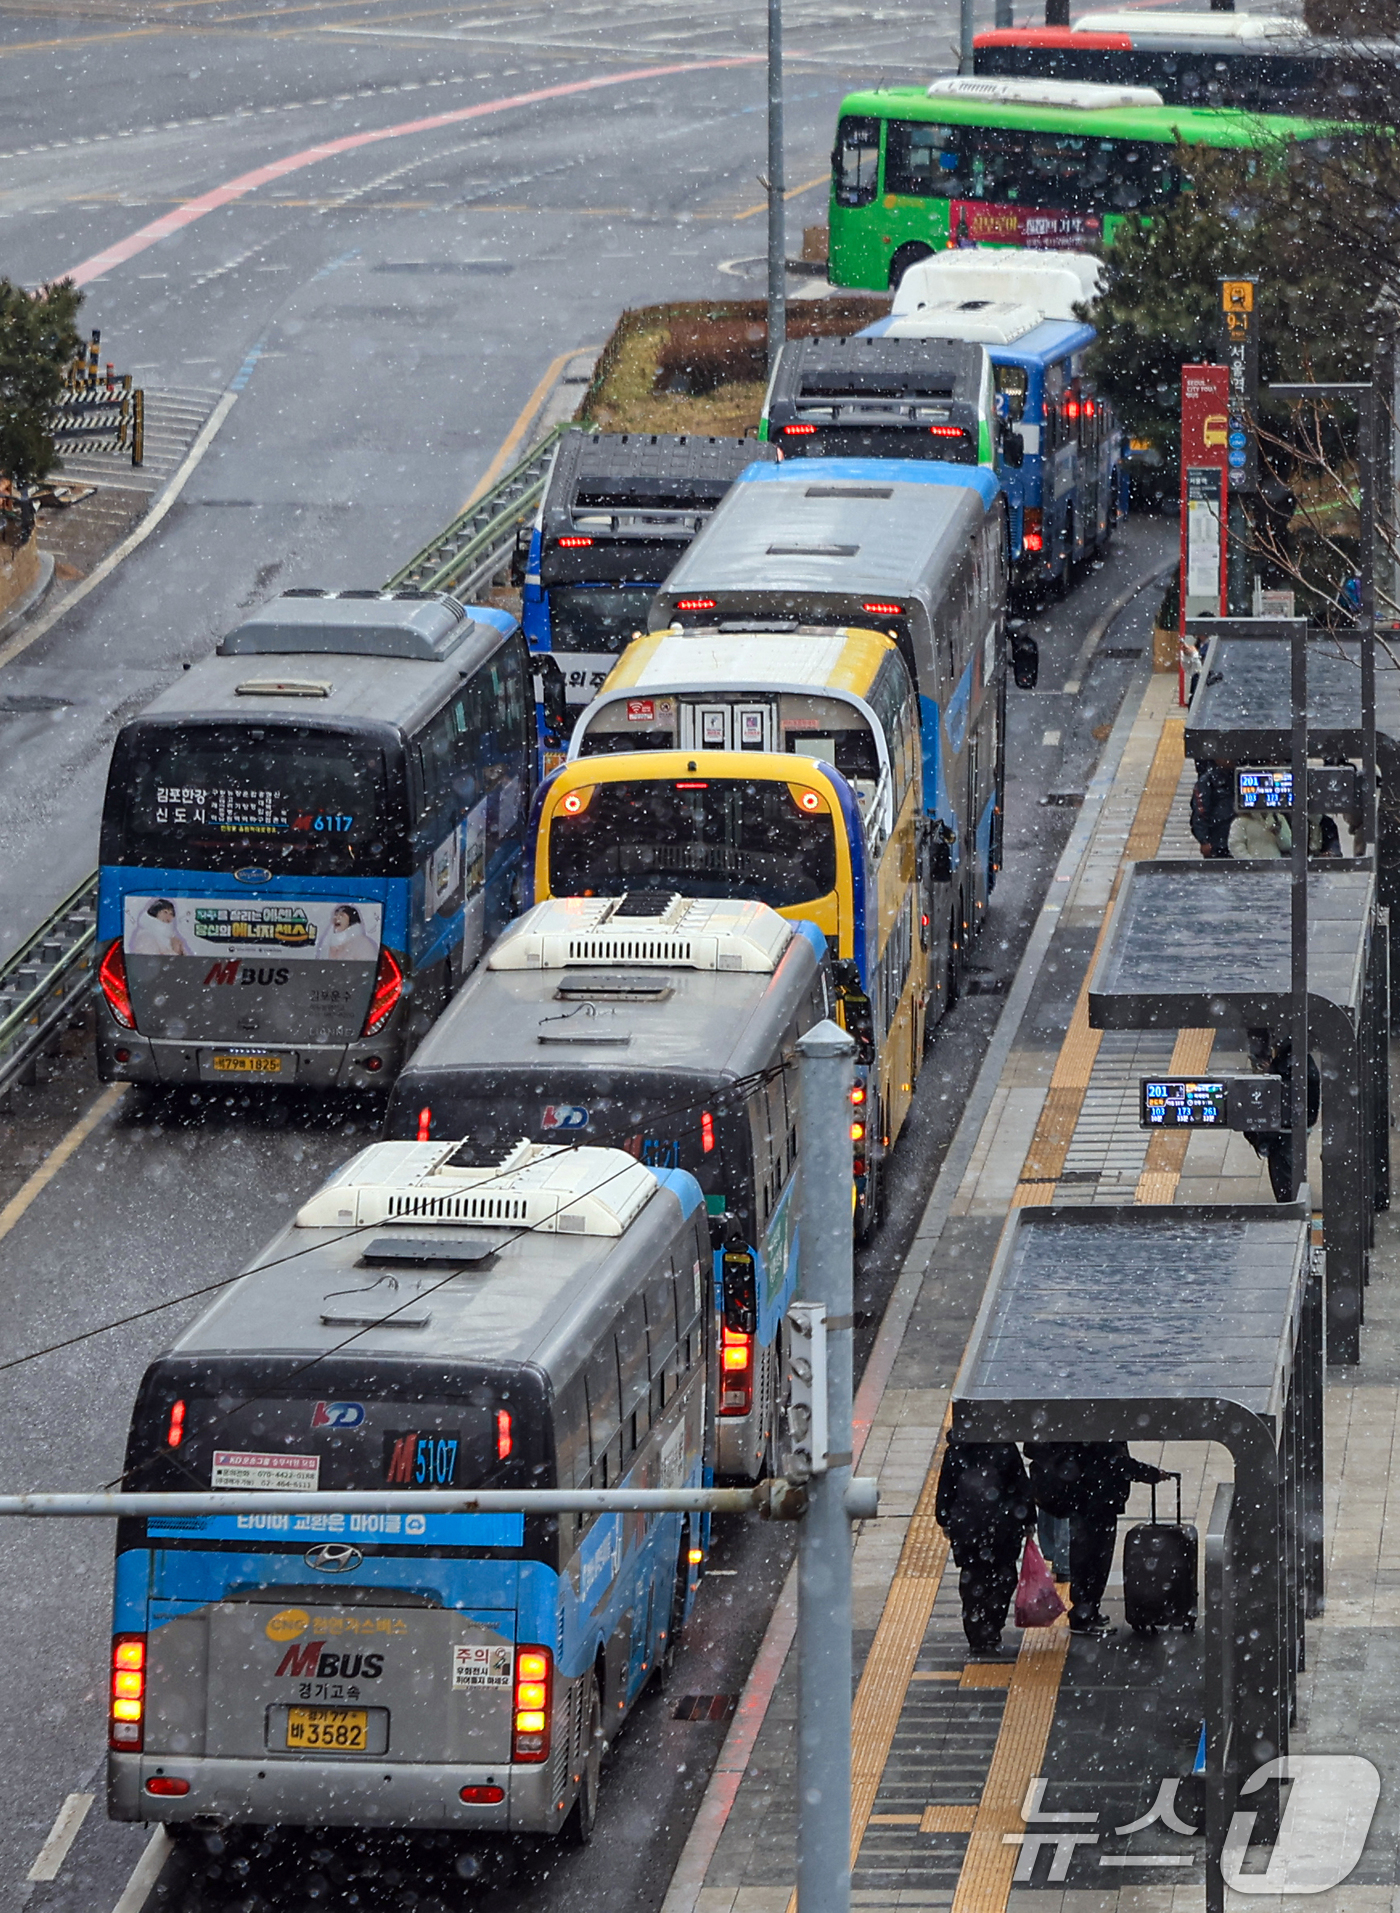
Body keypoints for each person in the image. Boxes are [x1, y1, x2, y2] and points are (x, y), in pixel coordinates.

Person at [1022, 1442, 1169, 1637]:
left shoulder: (1088, 1433)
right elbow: (1116, 1463)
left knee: (1087, 1558)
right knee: (1094, 1561)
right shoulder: (1100, 1436)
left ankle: (1087, 1612)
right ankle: (1085, 1615)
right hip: (1097, 1502)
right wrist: (1149, 1473)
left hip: (1087, 1500)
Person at [934, 1440, 1036, 1656]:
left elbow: (946, 1488)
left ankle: (977, 1634)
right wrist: (1027, 1518)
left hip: (968, 1530)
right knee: (1003, 1579)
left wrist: (944, 1518)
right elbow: (1020, 1485)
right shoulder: (1005, 1449)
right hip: (1003, 1528)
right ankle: (991, 1629)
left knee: (973, 1581)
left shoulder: (957, 1450)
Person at [1243, 1031, 1321, 1202]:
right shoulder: (1299, 1062)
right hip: (1292, 1126)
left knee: (1284, 1174)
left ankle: (1289, 1205)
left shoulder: (1288, 1068)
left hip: (1287, 1130)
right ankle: (1289, 1202)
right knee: (1286, 1170)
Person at [1189, 761, 1235, 859]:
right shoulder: (1208, 781)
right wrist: (1204, 840)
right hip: (1218, 839)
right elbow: (1200, 812)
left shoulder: (1237, 776)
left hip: (1236, 837)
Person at [127, 899, 192, 958]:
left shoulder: (172, 936)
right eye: (165, 912)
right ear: (155, 912)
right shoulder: (146, 935)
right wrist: (175, 952)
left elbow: (186, 962)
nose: (168, 916)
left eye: (171, 914)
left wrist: (180, 952)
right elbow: (151, 962)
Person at [1227, 805, 1292, 859]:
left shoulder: (1278, 819)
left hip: (1275, 868)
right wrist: (1251, 863)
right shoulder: (1240, 822)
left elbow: (1287, 846)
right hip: (1252, 871)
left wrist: (1279, 834)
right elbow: (1235, 846)